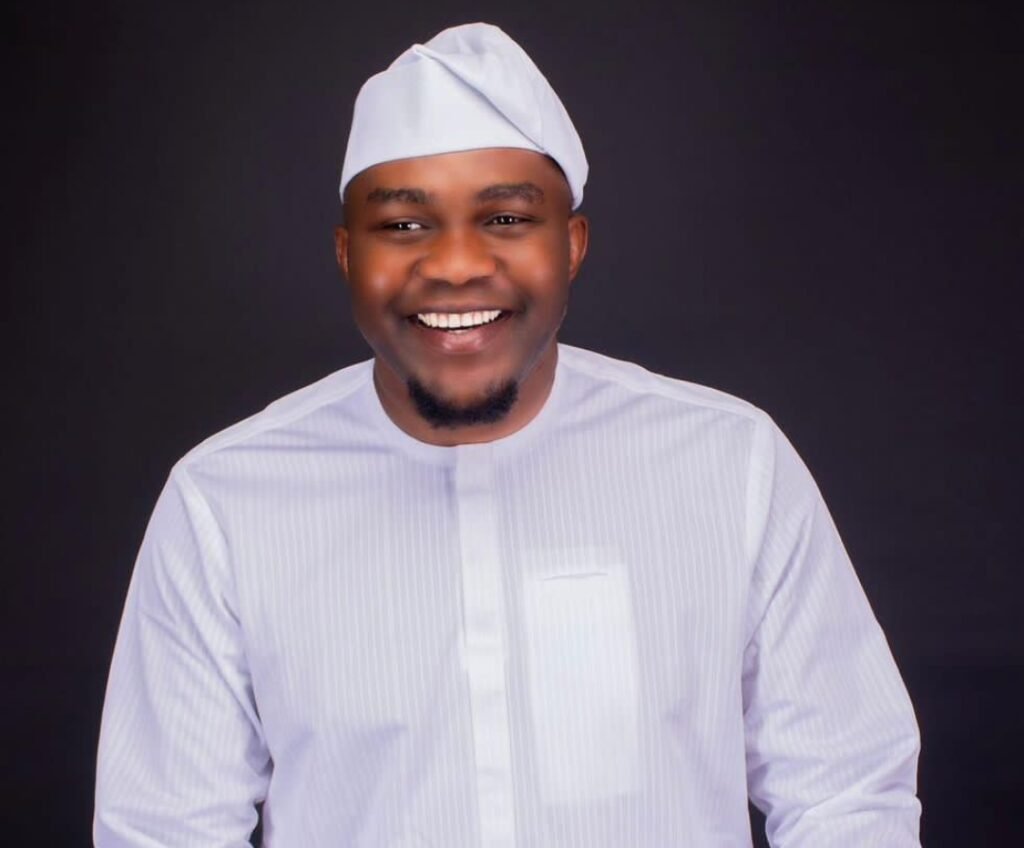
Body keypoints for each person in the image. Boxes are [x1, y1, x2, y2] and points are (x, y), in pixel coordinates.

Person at [94, 22, 922, 847]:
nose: (456, 264)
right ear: (347, 254)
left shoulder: (730, 464)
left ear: (572, 245)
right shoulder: (225, 502)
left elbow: (846, 796)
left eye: (504, 218)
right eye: (404, 225)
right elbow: (163, 831)